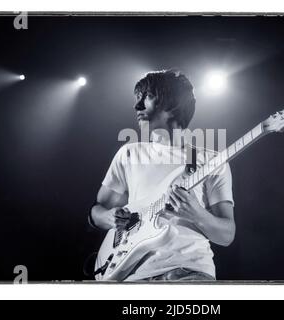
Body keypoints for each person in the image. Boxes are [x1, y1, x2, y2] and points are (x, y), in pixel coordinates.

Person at [89, 69, 235, 281]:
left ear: (173, 104)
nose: (136, 106)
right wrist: (109, 217)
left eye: (146, 97)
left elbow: (227, 235)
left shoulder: (212, 160)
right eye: (137, 99)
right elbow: (96, 211)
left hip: (189, 272)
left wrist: (196, 213)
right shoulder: (129, 153)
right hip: (130, 275)